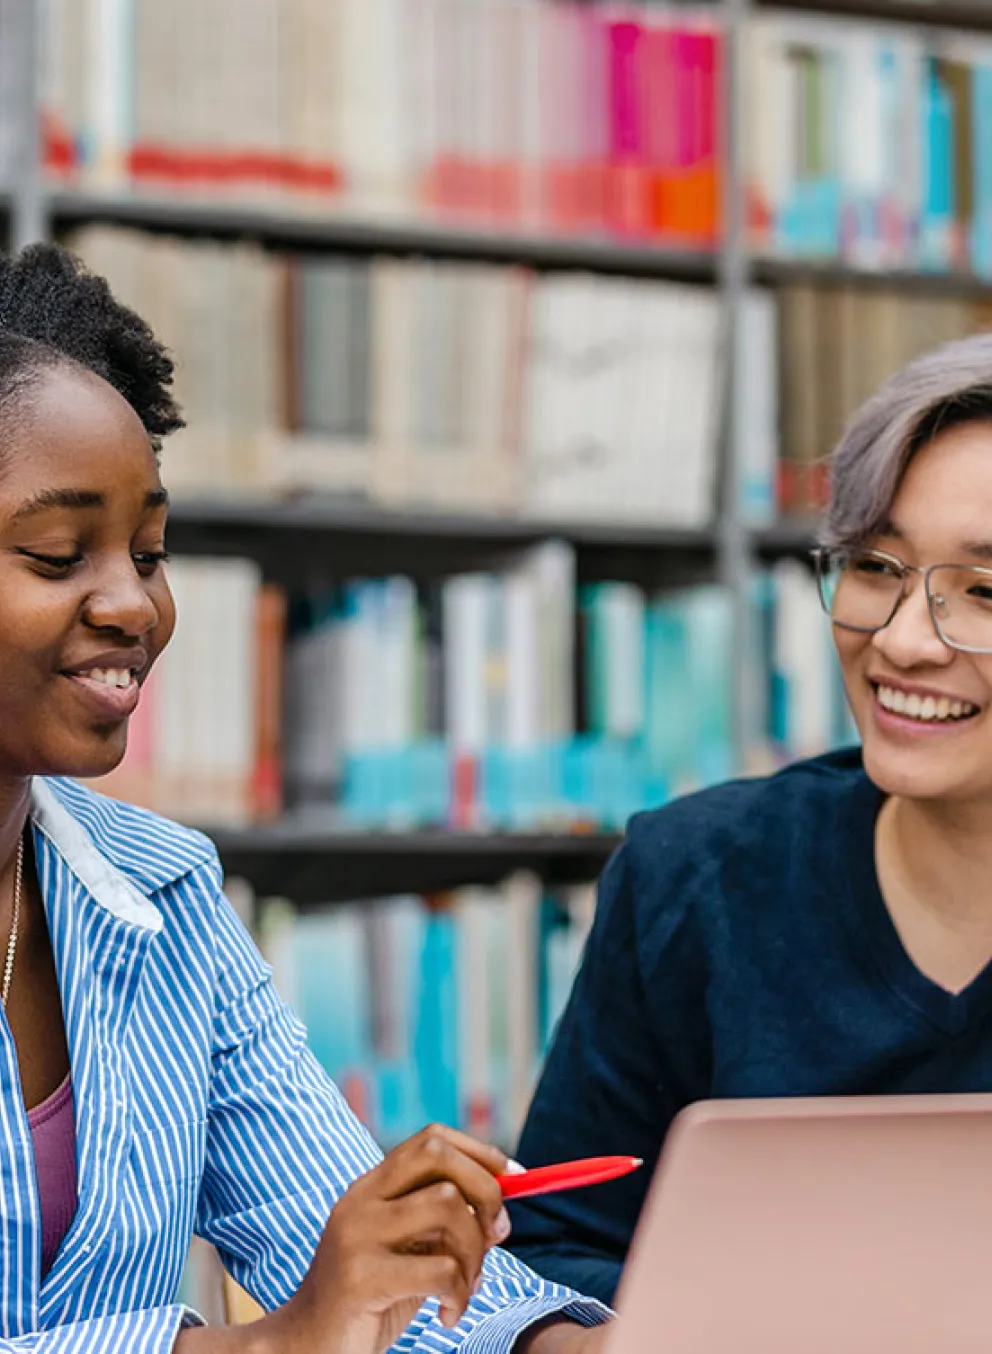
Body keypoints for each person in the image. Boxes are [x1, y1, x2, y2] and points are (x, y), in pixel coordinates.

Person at [0, 242, 613, 1354]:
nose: (133, 605)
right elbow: (309, 1329)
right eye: (56, 554)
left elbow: (347, 1256)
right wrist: (266, 1346)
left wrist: (556, 1344)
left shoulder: (162, 895)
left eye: (148, 551)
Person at [506, 330, 992, 1306]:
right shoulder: (693, 875)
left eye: (981, 591)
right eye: (874, 567)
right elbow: (549, 1249)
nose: (900, 641)